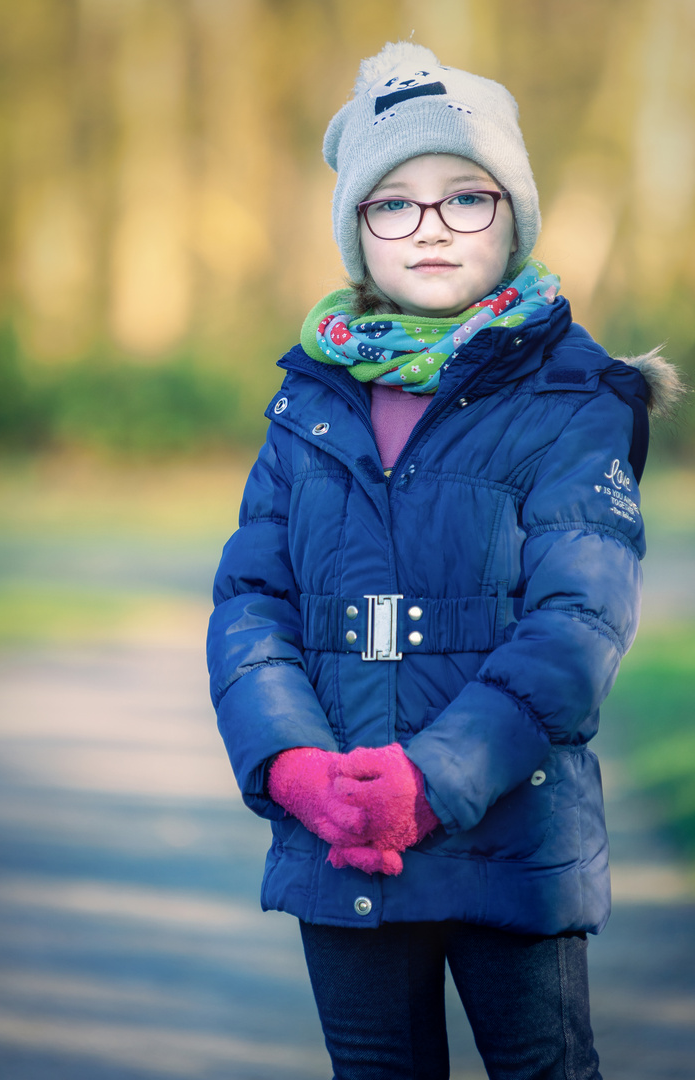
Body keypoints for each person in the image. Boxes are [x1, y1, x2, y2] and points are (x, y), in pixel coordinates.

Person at [207, 41, 681, 1080]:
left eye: (466, 197)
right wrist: (295, 767)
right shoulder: (308, 400)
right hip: (339, 844)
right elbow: (251, 602)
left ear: (512, 216)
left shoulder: (572, 397)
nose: (428, 226)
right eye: (393, 202)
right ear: (357, 229)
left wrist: (432, 781)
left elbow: (574, 626)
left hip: (511, 844)